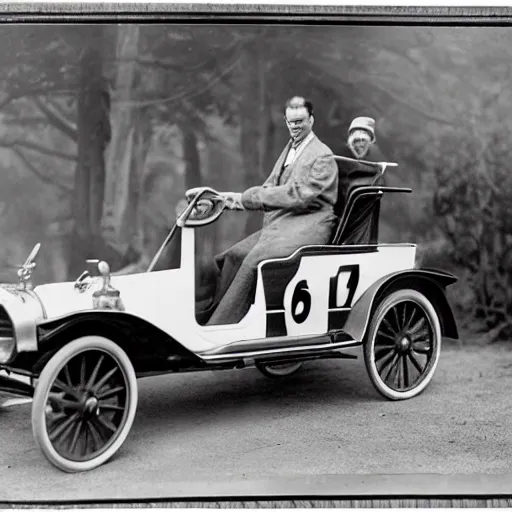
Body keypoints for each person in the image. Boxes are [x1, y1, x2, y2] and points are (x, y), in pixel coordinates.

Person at [202, 96, 339, 326]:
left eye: (300, 121)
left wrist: (247, 199)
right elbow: (271, 184)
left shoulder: (322, 156)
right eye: (291, 122)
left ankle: (223, 328)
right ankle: (210, 318)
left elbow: (297, 195)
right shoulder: (290, 149)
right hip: (284, 224)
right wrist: (236, 200)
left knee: (255, 260)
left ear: (311, 120)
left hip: (311, 225)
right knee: (234, 256)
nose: (295, 127)